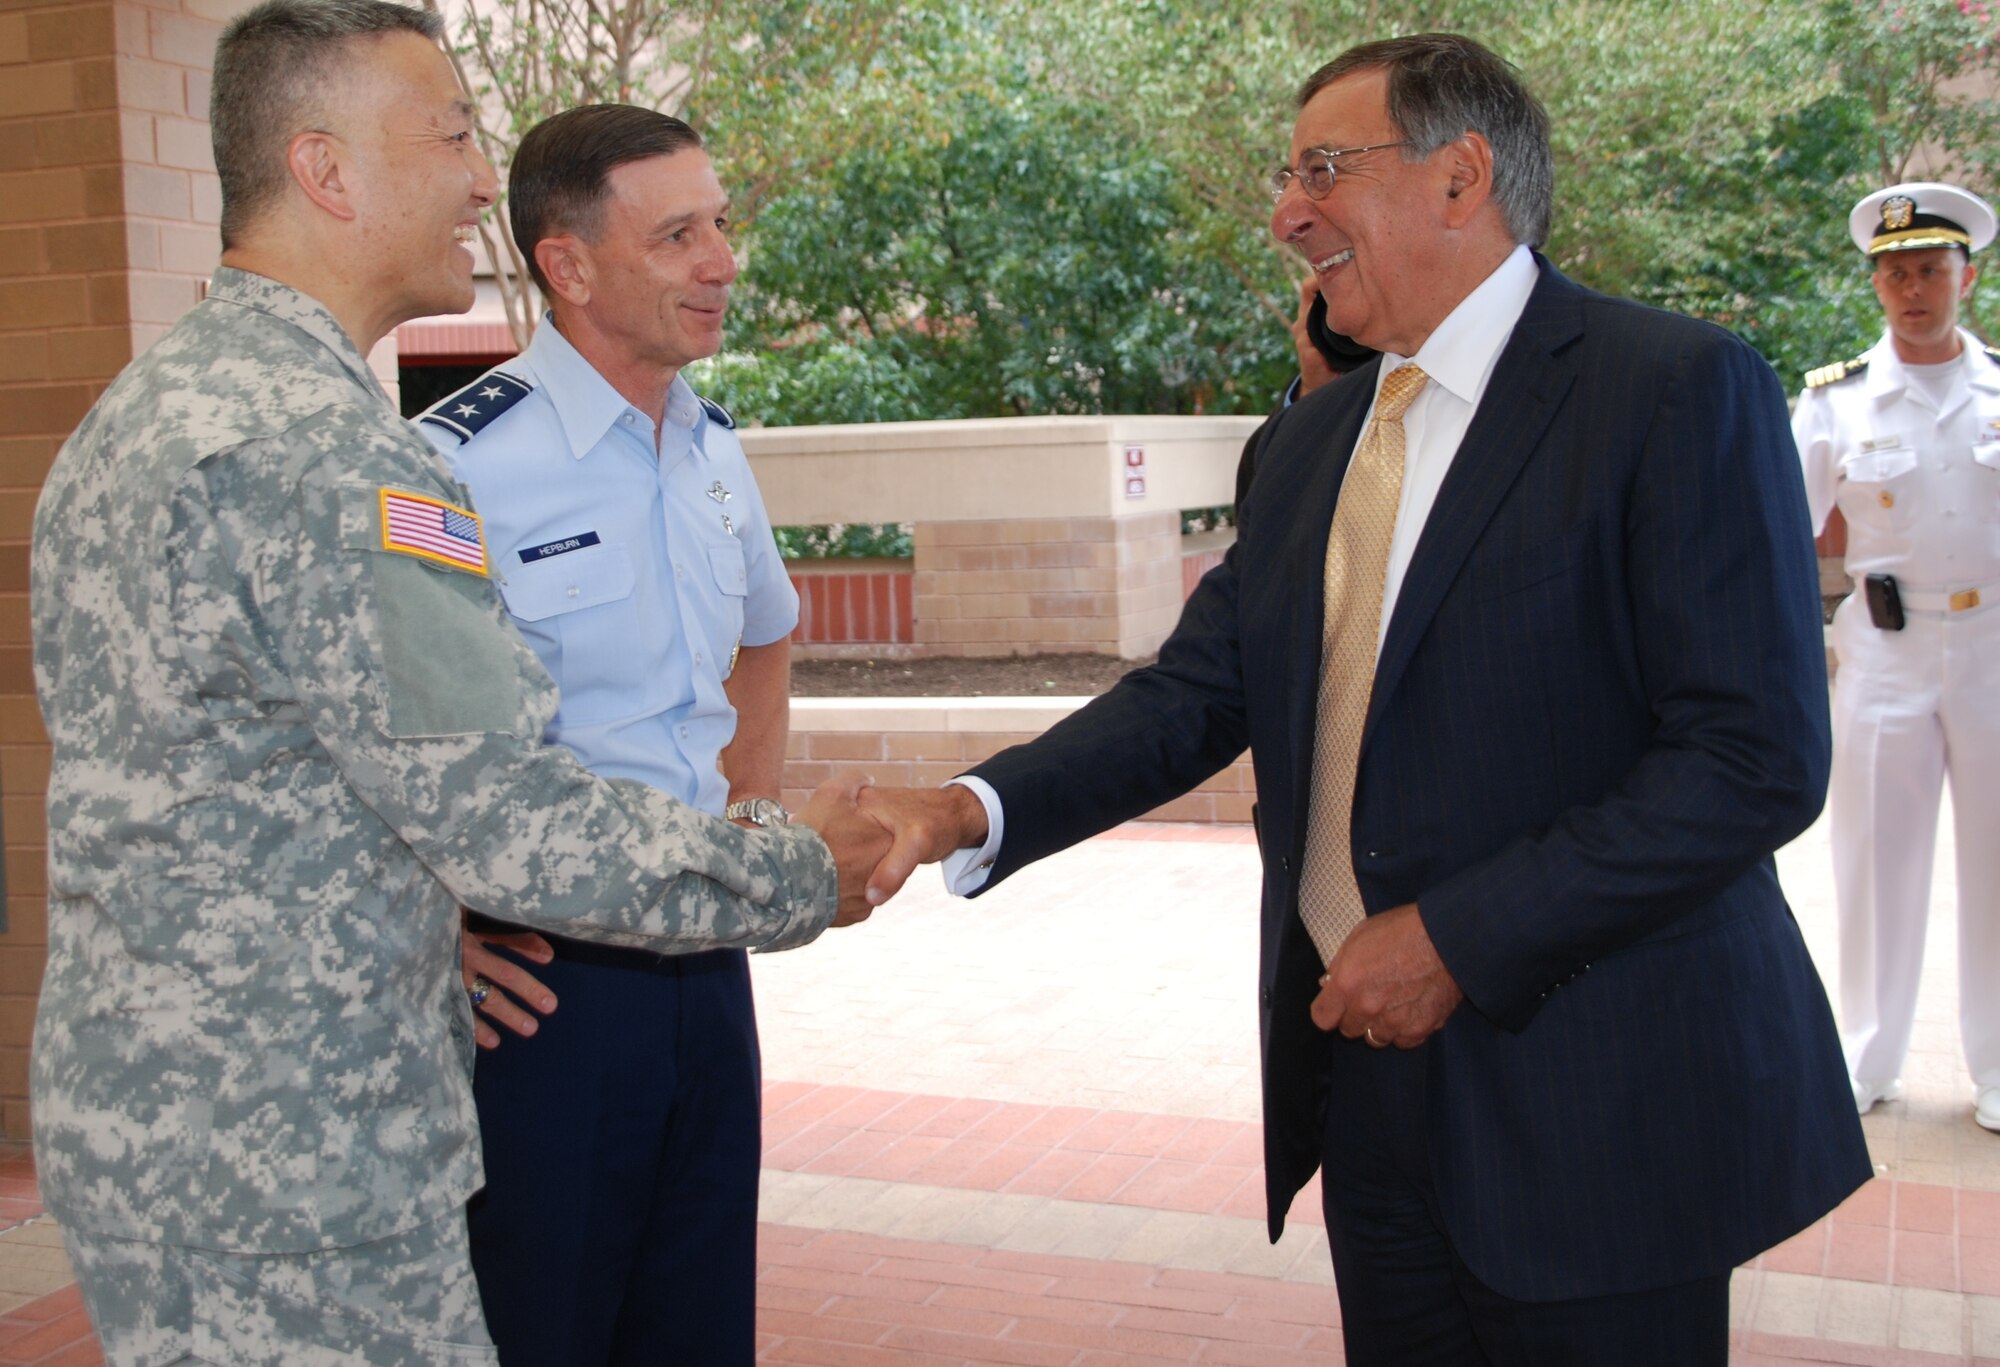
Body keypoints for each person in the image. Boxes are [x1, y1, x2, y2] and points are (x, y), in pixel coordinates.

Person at [860, 33, 1868, 1366]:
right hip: (1369, 1088)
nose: (1287, 214)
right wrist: (963, 806)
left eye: (1324, 170)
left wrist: (1456, 934)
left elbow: (1752, 757)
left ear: (1461, 177)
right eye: (1287, 177)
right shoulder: (1309, 442)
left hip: (1599, 1103)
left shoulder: (1670, 388)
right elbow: (1194, 693)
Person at [28, 3, 887, 1361]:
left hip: (176, 1120)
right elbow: (503, 813)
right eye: (451, 134)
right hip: (298, 1156)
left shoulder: (145, 414)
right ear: (327, 171)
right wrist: (797, 869)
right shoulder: (333, 453)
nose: (481, 177)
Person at [413, 104, 797, 1365]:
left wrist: (747, 821)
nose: (721, 261)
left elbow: (764, 635)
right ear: (567, 266)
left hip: (704, 965)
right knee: (546, 1321)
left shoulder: (711, 446)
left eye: (721, 225)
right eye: (678, 233)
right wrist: (435, 926)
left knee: (696, 1323)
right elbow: (385, 728)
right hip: (542, 992)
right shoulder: (447, 469)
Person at [1791, 181, 2000, 1128]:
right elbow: (1781, 531)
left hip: (1995, 642)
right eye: (1895, 273)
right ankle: (1866, 1057)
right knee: (1876, 858)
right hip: (1884, 649)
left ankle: (1995, 1069)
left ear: (1968, 274)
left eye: (1930, 269)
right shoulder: (1836, 400)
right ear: (1876, 285)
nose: (1913, 288)